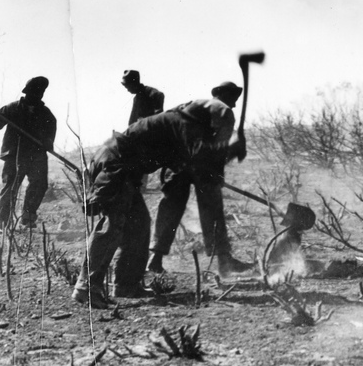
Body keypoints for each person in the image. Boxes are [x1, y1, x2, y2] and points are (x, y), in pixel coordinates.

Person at [72, 91, 246, 309]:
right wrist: (230, 152)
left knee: (140, 225)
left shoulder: (183, 121)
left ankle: (126, 284)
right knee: (113, 226)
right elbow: (201, 159)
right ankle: (86, 288)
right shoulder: (185, 124)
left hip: (126, 168)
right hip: (116, 166)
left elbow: (191, 161)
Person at [147, 82, 251, 277]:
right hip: (201, 166)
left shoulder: (189, 105)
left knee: (171, 207)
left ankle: (155, 258)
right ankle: (223, 260)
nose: (234, 105)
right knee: (213, 211)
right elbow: (219, 147)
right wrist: (219, 171)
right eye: (233, 98)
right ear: (222, 95)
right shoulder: (224, 110)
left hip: (177, 162)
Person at [0, 76, 57, 233]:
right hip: (14, 154)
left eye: (40, 92)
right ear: (27, 92)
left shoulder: (46, 114)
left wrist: (46, 142)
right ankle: (0, 225)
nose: (37, 95)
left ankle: (28, 218)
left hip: (36, 156)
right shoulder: (12, 108)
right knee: (10, 187)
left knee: (39, 185)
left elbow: (50, 137)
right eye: (34, 92)